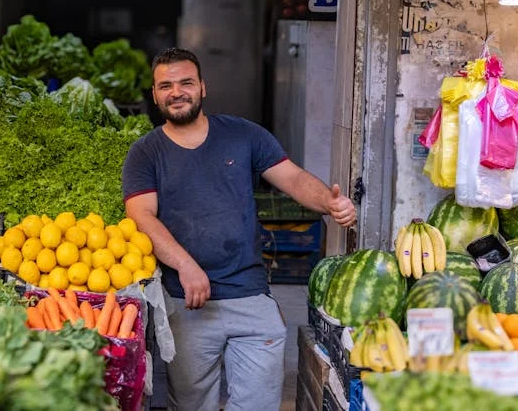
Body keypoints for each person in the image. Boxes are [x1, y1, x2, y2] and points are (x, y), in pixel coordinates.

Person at [121, 47, 356, 411]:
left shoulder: (243, 135)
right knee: (191, 406)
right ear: (154, 95)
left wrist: (330, 202)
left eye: (186, 82)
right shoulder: (145, 153)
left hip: (249, 295)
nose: (176, 92)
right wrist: (186, 265)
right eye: (165, 85)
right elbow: (142, 217)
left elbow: (291, 177)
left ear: (202, 87)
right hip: (186, 302)